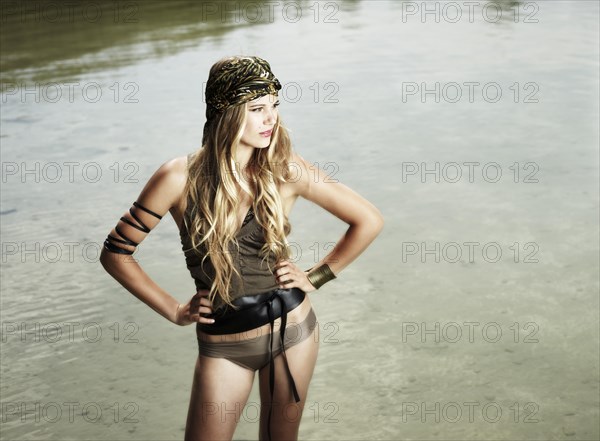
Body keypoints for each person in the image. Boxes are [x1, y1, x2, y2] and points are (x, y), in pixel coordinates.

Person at [100, 55, 384, 441]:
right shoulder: (178, 177)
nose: (271, 120)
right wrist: (174, 310)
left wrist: (315, 276)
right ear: (227, 112)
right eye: (257, 109)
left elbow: (368, 220)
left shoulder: (285, 169)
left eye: (275, 107)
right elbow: (116, 253)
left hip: (292, 334)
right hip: (223, 346)